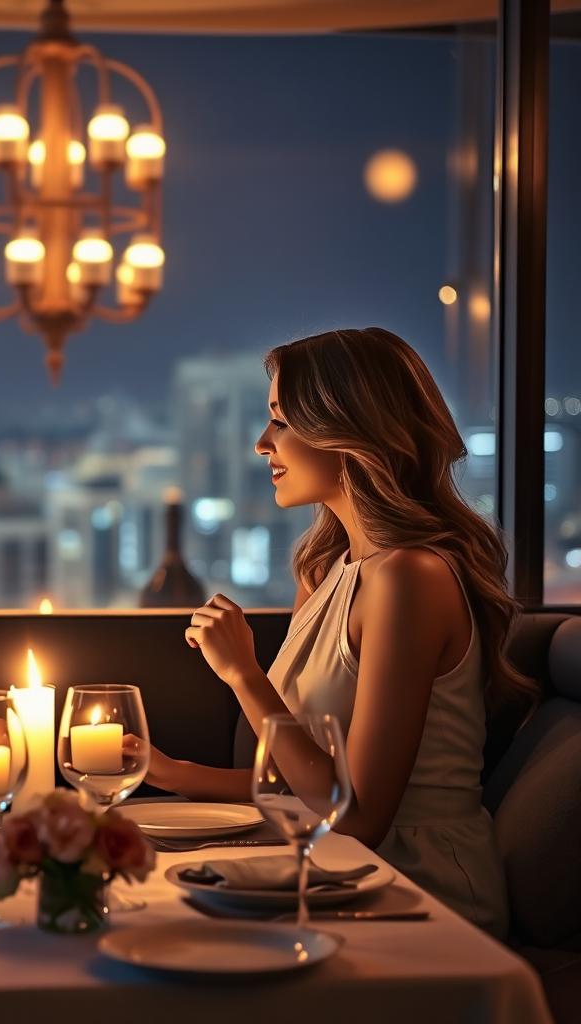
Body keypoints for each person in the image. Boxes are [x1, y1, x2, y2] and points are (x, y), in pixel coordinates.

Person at [145, 327, 535, 938]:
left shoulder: (411, 577)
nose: (260, 444)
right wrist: (166, 771)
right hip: (336, 867)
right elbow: (302, 783)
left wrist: (244, 673)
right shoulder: (329, 569)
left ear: (346, 431)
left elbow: (357, 816)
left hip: (417, 887)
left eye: (280, 421)